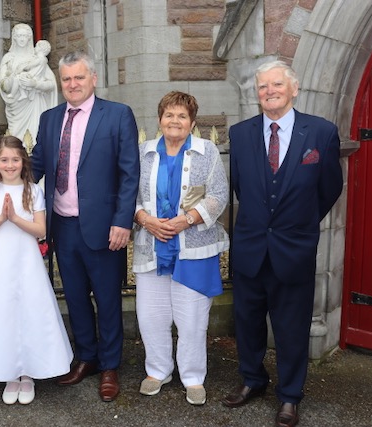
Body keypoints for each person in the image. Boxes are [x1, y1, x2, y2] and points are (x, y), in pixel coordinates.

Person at [223, 60, 343, 427]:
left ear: (293, 88)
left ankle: (290, 395)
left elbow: (329, 189)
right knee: (247, 322)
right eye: (262, 87)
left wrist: (298, 223)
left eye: (276, 84)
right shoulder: (240, 133)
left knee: (291, 328)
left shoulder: (321, 133)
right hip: (250, 248)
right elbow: (242, 187)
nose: (269, 91)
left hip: (294, 249)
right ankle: (253, 380)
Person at [31, 50, 140, 402]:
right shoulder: (49, 119)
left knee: (107, 298)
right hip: (62, 225)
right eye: (66, 79)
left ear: (93, 78)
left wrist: (122, 221)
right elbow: (34, 165)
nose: (72, 84)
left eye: (79, 77)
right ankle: (87, 358)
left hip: (104, 226)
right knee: (75, 297)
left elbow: (129, 173)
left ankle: (109, 365)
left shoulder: (118, 115)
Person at [132, 91, 229, 405]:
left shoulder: (207, 151)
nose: (175, 121)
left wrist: (186, 220)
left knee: (192, 320)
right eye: (169, 115)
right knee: (151, 316)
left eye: (182, 116)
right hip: (152, 244)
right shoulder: (143, 152)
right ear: (159, 119)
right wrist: (145, 219)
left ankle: (192, 376)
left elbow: (218, 194)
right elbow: (128, 195)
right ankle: (157, 370)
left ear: (192, 122)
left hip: (193, 249)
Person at [0, 136, 73, 405]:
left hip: (25, 259)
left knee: (28, 309)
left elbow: (40, 230)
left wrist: (15, 218)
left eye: (14, 159)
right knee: (3, 310)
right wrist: (1, 218)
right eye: (4, 160)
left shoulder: (32, 190)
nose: (9, 165)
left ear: (23, 162)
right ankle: (9, 372)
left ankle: (28, 374)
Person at [0, 23, 58, 141]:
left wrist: (35, 84)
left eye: (25, 36)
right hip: (16, 107)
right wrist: (14, 78)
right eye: (19, 35)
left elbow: (51, 85)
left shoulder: (37, 59)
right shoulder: (8, 59)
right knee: (16, 140)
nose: (21, 39)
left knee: (34, 138)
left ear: (29, 38)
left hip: (35, 104)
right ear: (14, 37)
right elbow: (4, 85)